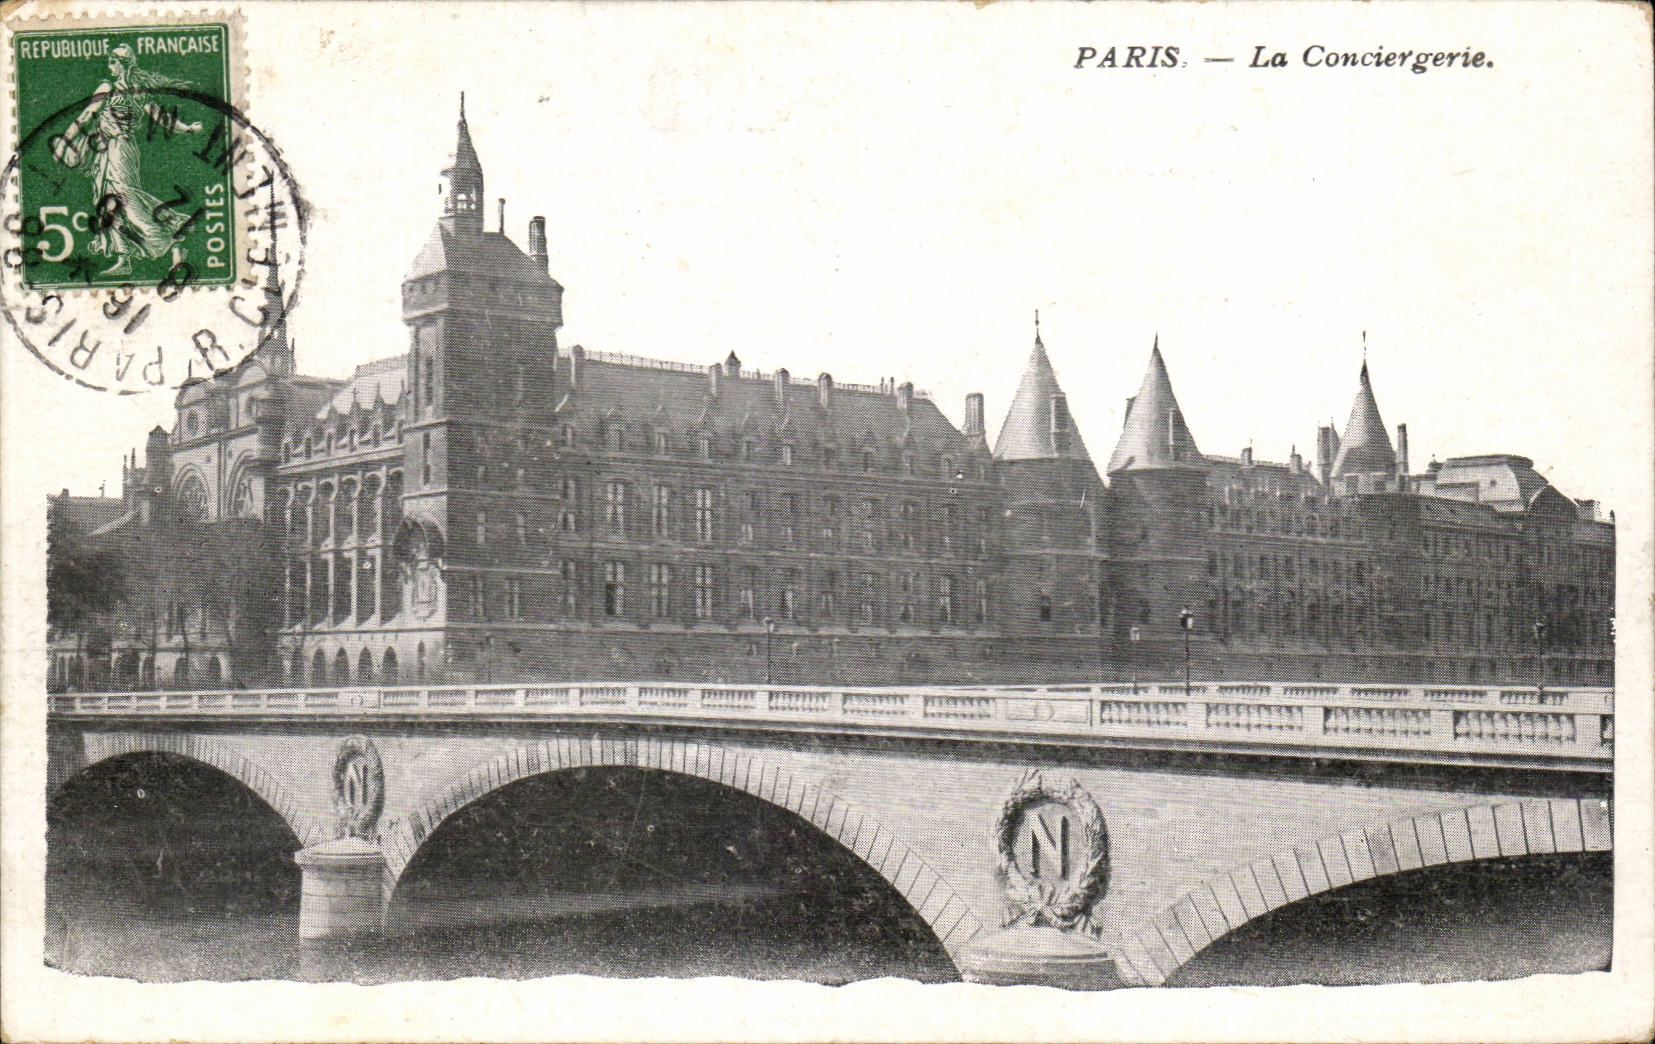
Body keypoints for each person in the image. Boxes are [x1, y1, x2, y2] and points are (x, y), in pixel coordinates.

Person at [50, 43, 203, 276]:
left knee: (125, 199)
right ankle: (125, 259)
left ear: (123, 65)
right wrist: (188, 128)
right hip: (112, 149)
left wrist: (65, 140)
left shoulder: (110, 87)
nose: (110, 66)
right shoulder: (135, 90)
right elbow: (159, 117)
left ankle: (170, 239)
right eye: (109, 62)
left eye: (113, 62)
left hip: (119, 149)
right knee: (109, 204)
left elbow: (85, 117)